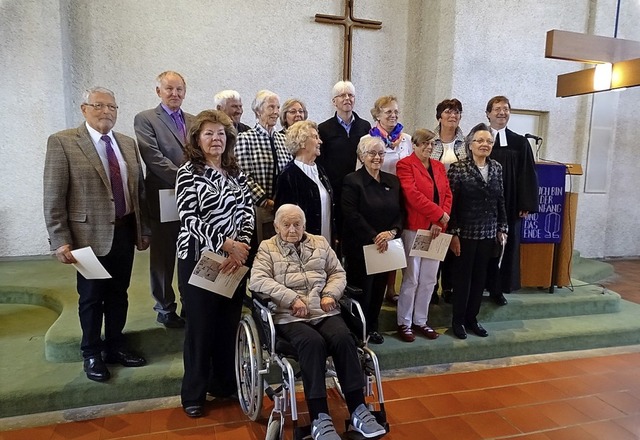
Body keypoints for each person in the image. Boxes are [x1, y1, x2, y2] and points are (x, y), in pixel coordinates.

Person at [249, 204, 387, 440]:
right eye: (286, 225)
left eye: (297, 224)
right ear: (276, 226)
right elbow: (258, 280)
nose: (292, 230)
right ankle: (319, 417)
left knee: (344, 338)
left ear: (304, 225)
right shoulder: (267, 248)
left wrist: (330, 294)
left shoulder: (320, 243)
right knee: (312, 343)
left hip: (323, 311)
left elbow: (338, 273)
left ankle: (357, 409)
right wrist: (291, 299)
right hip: (288, 315)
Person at [43, 86, 150, 382]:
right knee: (91, 297)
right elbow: (53, 195)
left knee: (119, 294)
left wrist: (144, 230)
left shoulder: (127, 143)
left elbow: (138, 191)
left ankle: (115, 345)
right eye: (99, 106)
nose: (107, 112)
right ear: (84, 108)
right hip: (86, 237)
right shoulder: (64, 142)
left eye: (112, 107)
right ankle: (91, 352)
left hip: (125, 232)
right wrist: (59, 238)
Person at [175, 110, 254, 418]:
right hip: (200, 258)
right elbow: (188, 218)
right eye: (208, 133)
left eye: (221, 133)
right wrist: (226, 243)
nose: (215, 138)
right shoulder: (188, 172)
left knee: (227, 323)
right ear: (197, 138)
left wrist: (242, 245)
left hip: (234, 260)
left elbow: (247, 212)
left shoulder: (237, 173)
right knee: (200, 326)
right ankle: (193, 393)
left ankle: (223, 383)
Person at [134, 70, 194, 328]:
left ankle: (190, 303)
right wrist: (188, 178)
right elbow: (153, 157)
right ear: (158, 91)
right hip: (164, 194)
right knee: (163, 255)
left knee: (190, 251)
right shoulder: (146, 119)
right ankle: (165, 307)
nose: (175, 93)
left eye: (179, 89)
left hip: (192, 197)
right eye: (169, 89)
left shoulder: (193, 120)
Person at [447, 123, 508, 339]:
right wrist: (453, 233)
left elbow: (500, 199)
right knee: (463, 279)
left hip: (488, 232)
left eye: (489, 141)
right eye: (480, 141)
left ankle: (472, 319)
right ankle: (458, 321)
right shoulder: (458, 168)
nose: (485, 145)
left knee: (480, 279)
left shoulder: (497, 168)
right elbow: (451, 204)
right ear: (470, 144)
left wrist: (502, 227)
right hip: (464, 233)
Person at [342, 135, 404, 344]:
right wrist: (374, 235)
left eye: (380, 153)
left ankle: (373, 326)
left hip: (387, 245)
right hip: (362, 245)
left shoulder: (392, 181)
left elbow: (400, 212)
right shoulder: (352, 180)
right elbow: (351, 214)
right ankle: (358, 331)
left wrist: (393, 232)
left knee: (378, 289)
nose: (377, 157)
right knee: (362, 290)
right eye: (372, 153)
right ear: (361, 156)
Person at [395, 129, 452, 342]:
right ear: (414, 145)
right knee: (412, 278)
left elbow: (447, 194)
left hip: (437, 229)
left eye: (431, 144)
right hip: (415, 227)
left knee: (429, 279)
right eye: (424, 144)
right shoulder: (405, 165)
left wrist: (439, 221)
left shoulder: (438, 166)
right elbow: (412, 195)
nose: (428, 148)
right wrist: (439, 214)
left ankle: (421, 320)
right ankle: (404, 322)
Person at [485, 96, 539, 305]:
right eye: (497, 109)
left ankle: (498, 289)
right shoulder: (479, 137)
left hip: (510, 204)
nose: (501, 112)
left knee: (505, 247)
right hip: (483, 206)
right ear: (488, 113)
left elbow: (527, 173)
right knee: (483, 247)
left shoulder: (519, 142)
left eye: (506, 109)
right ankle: (480, 285)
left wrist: (525, 204)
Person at [316, 81, 371, 255]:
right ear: (334, 101)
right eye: (342, 95)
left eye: (351, 95)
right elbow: (321, 162)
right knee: (337, 233)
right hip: (336, 189)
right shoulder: (324, 129)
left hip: (360, 189)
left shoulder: (365, 127)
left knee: (357, 231)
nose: (347, 99)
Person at [368, 95, 412, 303]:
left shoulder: (407, 139)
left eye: (396, 111)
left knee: (397, 241)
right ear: (378, 115)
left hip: (402, 195)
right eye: (388, 112)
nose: (393, 115)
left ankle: (392, 289)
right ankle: (378, 288)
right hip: (378, 195)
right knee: (382, 240)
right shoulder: (368, 139)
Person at [236, 90, 292, 244]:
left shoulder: (283, 139)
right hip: (259, 208)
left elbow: (289, 172)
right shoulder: (245, 138)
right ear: (258, 111)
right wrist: (265, 201)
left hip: (283, 206)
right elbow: (243, 175)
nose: (276, 112)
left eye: (278, 107)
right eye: (271, 107)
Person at [430, 98, 466, 305]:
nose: (452, 116)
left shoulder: (468, 141)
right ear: (439, 116)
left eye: (456, 112)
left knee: (454, 242)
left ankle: (449, 286)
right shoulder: (430, 140)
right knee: (435, 241)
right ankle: (432, 286)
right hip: (435, 199)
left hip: (460, 199)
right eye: (448, 112)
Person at [275, 120, 333, 244]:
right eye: (315, 137)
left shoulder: (320, 169)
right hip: (302, 247)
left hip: (326, 242)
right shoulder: (288, 175)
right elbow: (283, 218)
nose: (320, 142)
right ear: (302, 143)